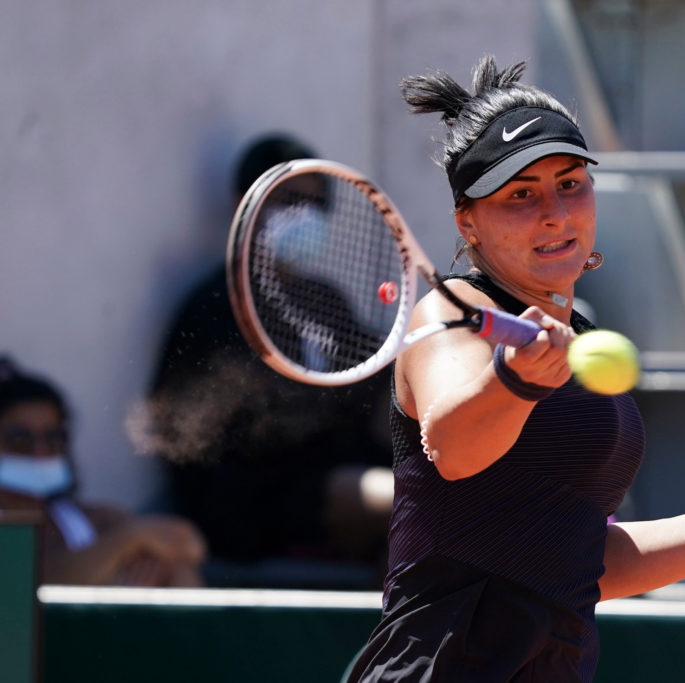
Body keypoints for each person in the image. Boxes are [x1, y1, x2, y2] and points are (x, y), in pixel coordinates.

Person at [343, 56, 685, 682]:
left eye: (571, 183)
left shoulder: (577, 338)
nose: (555, 211)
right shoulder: (450, 311)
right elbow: (452, 444)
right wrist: (515, 381)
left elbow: (580, 562)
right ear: (468, 223)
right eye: (520, 194)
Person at [145, 133, 394, 587]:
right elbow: (204, 442)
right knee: (407, 502)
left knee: (438, 509)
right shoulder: (215, 307)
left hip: (331, 483)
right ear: (245, 203)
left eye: (314, 205)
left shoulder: (325, 300)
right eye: (287, 200)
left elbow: (371, 383)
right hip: (250, 508)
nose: (302, 215)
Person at [0, 356, 206, 586]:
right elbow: (30, 582)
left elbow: (188, 543)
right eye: (20, 439)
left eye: (53, 438)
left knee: (173, 566)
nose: (41, 451)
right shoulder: (120, 532)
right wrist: (128, 540)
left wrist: (148, 551)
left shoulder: (96, 520)